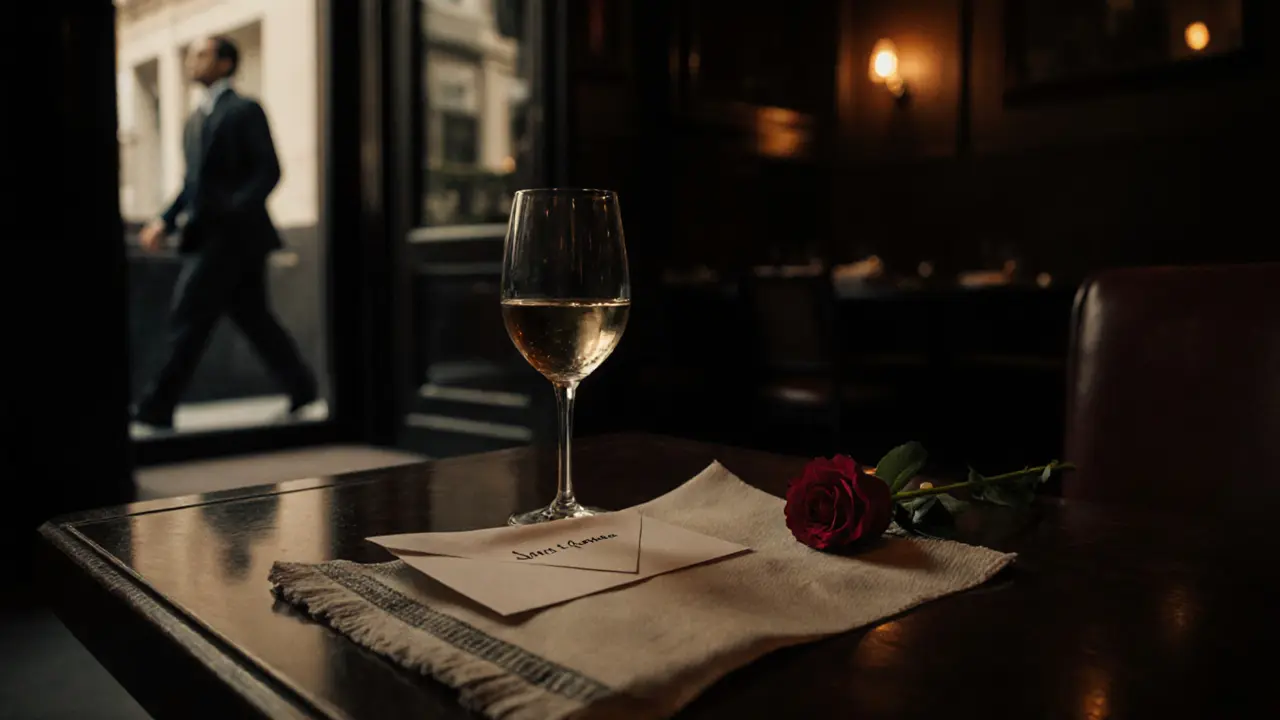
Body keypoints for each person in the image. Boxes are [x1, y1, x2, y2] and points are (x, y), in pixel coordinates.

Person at [133, 36, 317, 431]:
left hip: (234, 239)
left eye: (201, 55)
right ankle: (302, 388)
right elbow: (192, 183)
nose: (191, 62)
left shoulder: (245, 110)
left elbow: (269, 171)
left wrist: (231, 213)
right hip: (211, 239)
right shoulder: (194, 120)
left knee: (188, 316)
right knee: (254, 319)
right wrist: (164, 220)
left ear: (226, 63)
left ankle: (155, 407)